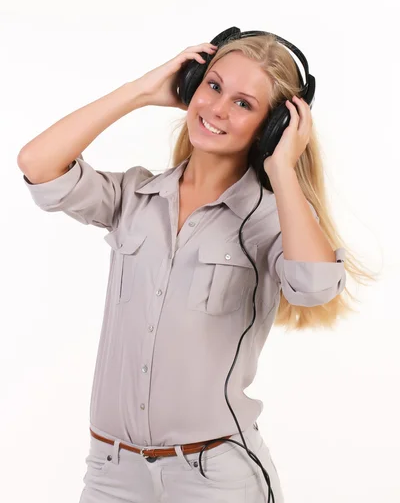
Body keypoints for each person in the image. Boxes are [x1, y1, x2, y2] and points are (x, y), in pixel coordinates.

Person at [17, 34, 375, 503]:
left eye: (243, 102)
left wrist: (283, 167)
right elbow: (38, 165)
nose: (218, 108)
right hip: (111, 473)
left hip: (214, 479)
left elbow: (313, 287)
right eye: (212, 86)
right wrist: (142, 91)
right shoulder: (134, 197)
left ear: (274, 126)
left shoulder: (271, 218)